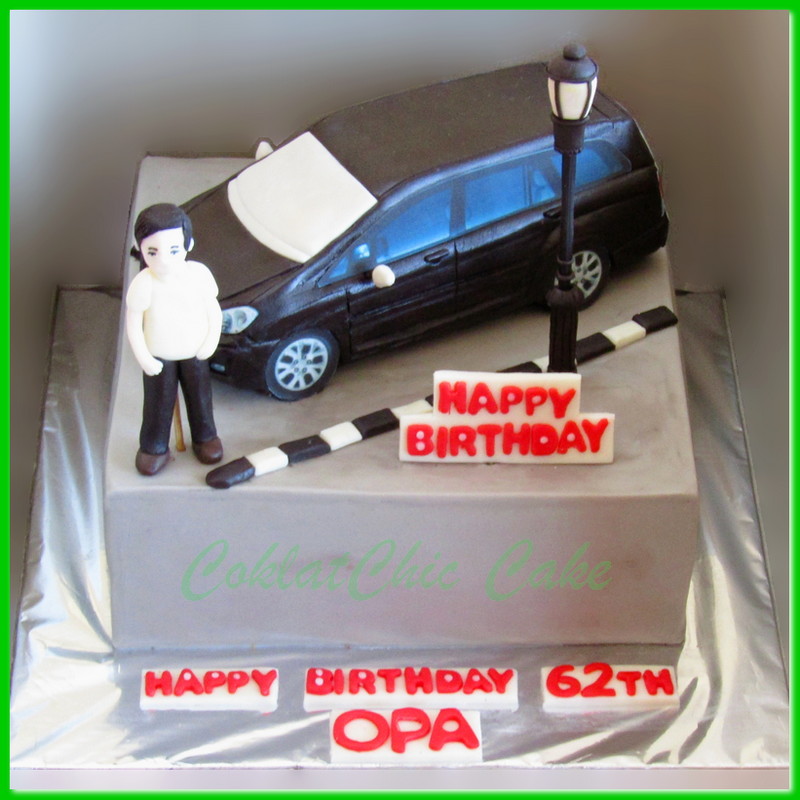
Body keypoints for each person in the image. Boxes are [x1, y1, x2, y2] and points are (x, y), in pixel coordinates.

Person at [126, 203, 223, 476]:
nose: (164, 260)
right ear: (141, 249)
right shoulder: (144, 283)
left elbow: (213, 310)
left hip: (195, 352)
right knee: (157, 403)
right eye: (152, 252)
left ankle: (205, 437)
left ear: (188, 244)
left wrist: (210, 341)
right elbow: (133, 324)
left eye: (173, 250)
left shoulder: (199, 275)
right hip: (158, 356)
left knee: (200, 397)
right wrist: (144, 358)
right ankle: (154, 447)